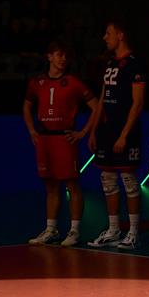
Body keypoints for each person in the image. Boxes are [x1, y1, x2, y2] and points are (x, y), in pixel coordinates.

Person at [25, 41, 98, 248]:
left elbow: (96, 106)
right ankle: (51, 229)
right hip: (44, 139)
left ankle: (74, 230)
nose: (63, 59)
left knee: (72, 184)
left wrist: (82, 132)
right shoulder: (37, 82)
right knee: (50, 185)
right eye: (59, 55)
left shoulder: (73, 82)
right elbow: (27, 105)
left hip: (64, 139)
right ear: (49, 57)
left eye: (66, 56)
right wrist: (32, 130)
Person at [85, 21, 147, 249]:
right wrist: (94, 130)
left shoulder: (134, 64)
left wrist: (124, 135)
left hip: (125, 130)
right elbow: (103, 97)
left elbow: (138, 103)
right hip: (106, 130)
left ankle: (133, 233)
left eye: (108, 33)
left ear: (120, 35)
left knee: (129, 180)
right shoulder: (111, 62)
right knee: (108, 179)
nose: (105, 37)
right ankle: (113, 230)